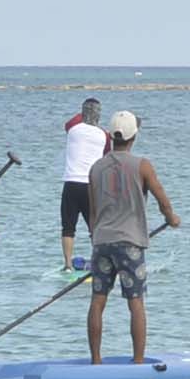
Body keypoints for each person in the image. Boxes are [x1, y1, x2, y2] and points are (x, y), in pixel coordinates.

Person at [83, 111, 178, 361]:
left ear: (111, 136)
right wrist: (172, 219)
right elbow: (162, 200)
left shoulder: (95, 167)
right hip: (130, 244)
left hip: (101, 241)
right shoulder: (142, 165)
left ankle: (96, 360)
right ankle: (137, 361)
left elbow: (92, 213)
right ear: (133, 136)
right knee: (135, 302)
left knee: (97, 301)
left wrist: (96, 236)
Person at [58, 98, 109, 273]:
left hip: (71, 183)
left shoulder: (72, 129)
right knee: (95, 228)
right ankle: (100, 262)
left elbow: (70, 122)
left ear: (83, 113)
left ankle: (67, 265)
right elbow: (106, 154)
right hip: (91, 186)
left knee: (68, 227)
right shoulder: (104, 135)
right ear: (98, 115)